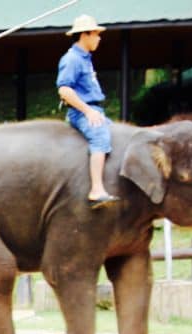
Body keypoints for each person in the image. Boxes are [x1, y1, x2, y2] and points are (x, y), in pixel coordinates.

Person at [57, 15, 119, 209]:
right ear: (85, 34)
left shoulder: (85, 58)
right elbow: (64, 90)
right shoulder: (73, 59)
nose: (99, 38)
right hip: (83, 110)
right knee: (100, 137)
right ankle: (96, 190)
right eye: (96, 34)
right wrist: (88, 111)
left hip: (93, 108)